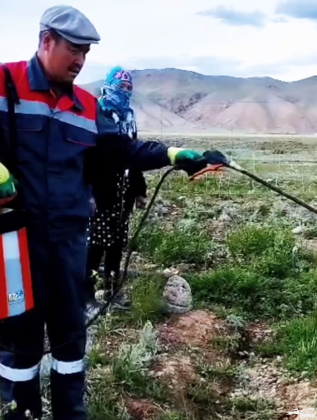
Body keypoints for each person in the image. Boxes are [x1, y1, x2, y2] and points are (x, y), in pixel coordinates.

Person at [0, 5, 213, 419]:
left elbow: (120, 150)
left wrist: (174, 154)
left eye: (86, 52)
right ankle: (17, 409)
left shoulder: (85, 105)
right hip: (14, 245)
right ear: (46, 42)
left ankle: (70, 411)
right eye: (73, 50)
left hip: (67, 242)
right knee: (17, 337)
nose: (80, 60)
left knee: (69, 335)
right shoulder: (6, 82)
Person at [85, 66, 146, 309]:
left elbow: (133, 154)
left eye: (129, 88)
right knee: (96, 242)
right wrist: (87, 191)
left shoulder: (129, 117)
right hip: (101, 189)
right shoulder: (97, 113)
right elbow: (86, 155)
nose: (125, 92)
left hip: (125, 190)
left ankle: (112, 290)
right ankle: (86, 295)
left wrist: (140, 189)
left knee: (118, 241)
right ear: (109, 85)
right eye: (121, 86)